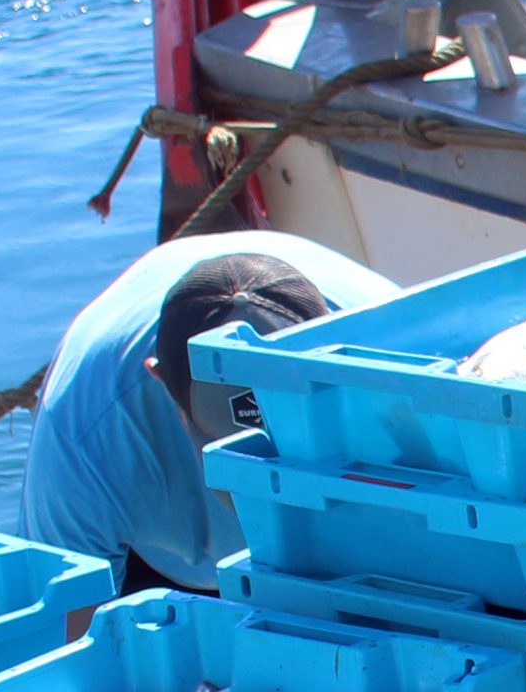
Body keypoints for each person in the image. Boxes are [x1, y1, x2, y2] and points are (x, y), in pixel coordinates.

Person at [19, 245, 342, 593]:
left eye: (290, 439)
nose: (265, 481)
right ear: (160, 382)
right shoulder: (84, 443)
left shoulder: (397, 366)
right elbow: (67, 629)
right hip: (158, 564)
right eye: (232, 448)